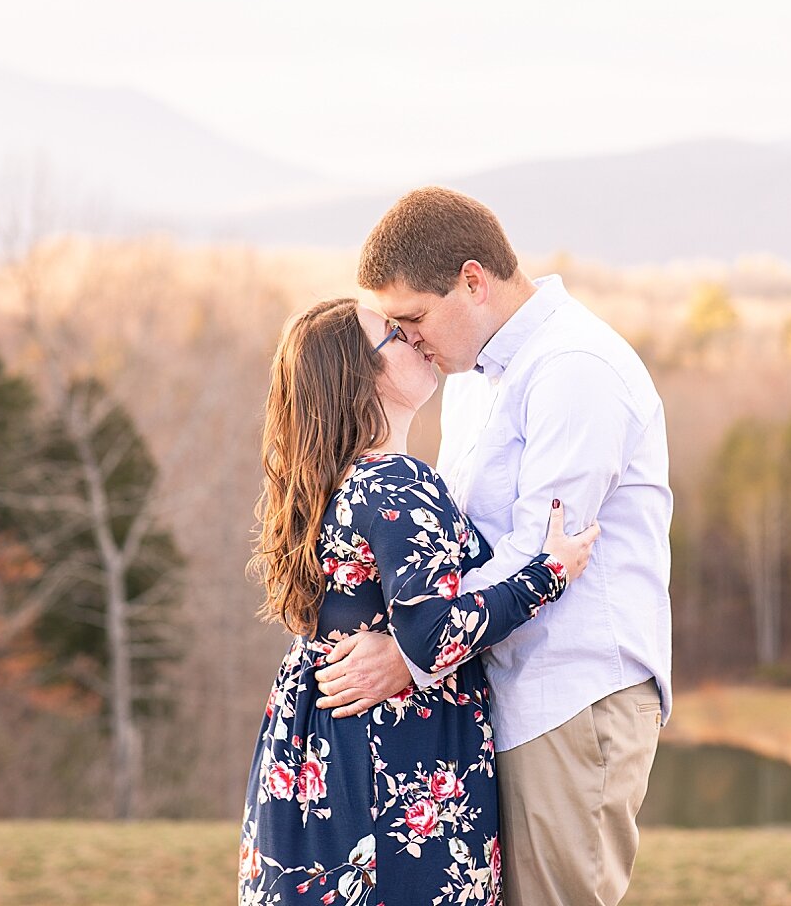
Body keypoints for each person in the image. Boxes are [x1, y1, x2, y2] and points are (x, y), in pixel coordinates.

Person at [314, 186, 672, 906]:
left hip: (571, 698)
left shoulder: (575, 367)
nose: (409, 339)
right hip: (500, 692)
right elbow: (459, 548)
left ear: (473, 282)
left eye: (414, 317)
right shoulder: (475, 379)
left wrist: (412, 654)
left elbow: (539, 554)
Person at [240, 297, 599, 906]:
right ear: (363, 377)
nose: (415, 337)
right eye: (396, 335)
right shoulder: (399, 481)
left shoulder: (329, 484)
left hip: (314, 751)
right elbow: (435, 636)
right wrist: (549, 573)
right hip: (393, 765)